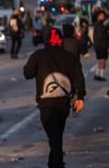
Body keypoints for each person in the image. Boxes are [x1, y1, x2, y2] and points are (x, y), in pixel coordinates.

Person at [23, 27, 86, 168]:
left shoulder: (38, 55)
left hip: (46, 102)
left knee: (54, 136)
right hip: (63, 103)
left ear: (46, 40)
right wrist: (80, 97)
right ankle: (56, 162)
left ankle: (56, 163)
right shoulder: (69, 57)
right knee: (57, 134)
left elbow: (27, 73)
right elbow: (79, 77)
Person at [92, 9, 108, 81]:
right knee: (103, 60)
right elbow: (101, 35)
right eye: (101, 16)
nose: (103, 17)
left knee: (100, 60)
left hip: (98, 45)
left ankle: (97, 74)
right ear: (98, 17)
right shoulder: (99, 25)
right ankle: (100, 75)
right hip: (102, 45)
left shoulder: (98, 24)